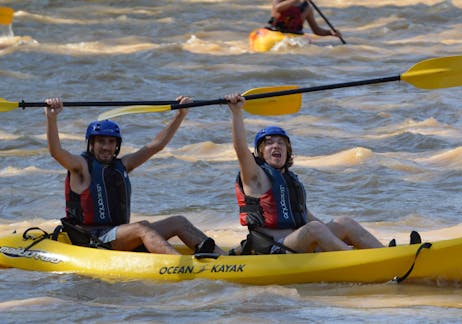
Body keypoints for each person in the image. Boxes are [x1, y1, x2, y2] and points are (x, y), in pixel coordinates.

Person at [44, 97, 225, 255]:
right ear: (91, 144)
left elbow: (155, 146)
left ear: (117, 145)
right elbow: (56, 152)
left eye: (111, 142)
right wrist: (51, 118)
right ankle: (181, 264)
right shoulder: (81, 167)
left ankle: (227, 259)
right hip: (93, 238)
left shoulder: (122, 165)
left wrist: (180, 115)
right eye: (100, 141)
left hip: (117, 234)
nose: (106, 147)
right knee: (141, 228)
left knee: (178, 221)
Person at [225, 94, 384, 254]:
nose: (276, 146)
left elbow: (307, 218)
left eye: (281, 143)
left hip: (300, 243)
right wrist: (236, 112)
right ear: (260, 152)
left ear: (288, 152)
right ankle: (357, 262)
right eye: (269, 143)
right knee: (315, 229)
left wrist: (334, 238)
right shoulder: (255, 176)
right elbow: (240, 148)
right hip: (274, 249)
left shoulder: (290, 181)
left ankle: (384, 255)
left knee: (344, 222)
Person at [266, 0, 342, 38]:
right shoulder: (279, 1)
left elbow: (316, 30)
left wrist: (330, 32)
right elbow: (278, 8)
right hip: (274, 32)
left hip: (294, 36)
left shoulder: (307, 8)